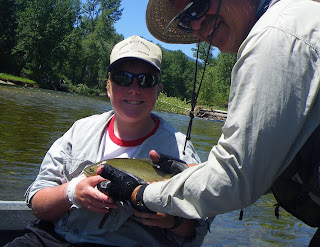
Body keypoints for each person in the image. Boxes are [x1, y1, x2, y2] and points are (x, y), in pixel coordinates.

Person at [98, 0, 320, 245]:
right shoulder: (293, 21)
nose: (196, 27)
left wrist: (139, 194)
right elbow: (262, 165)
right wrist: (193, 175)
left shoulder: (274, 37)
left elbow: (235, 178)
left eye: (197, 7)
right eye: (184, 21)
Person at [5, 35, 211, 247]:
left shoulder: (180, 149)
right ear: (108, 87)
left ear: (158, 90)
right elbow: (38, 204)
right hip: (52, 238)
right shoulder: (80, 130)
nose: (134, 88)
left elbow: (194, 228)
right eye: (123, 78)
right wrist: (71, 192)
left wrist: (172, 220)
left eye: (146, 80)